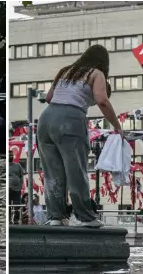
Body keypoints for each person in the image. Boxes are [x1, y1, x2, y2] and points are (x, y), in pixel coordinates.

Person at [37, 44, 123, 228]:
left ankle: (55, 217)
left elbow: (49, 97)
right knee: (76, 170)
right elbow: (102, 100)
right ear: (103, 62)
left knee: (53, 173)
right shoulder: (96, 73)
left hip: (45, 120)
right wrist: (117, 126)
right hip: (70, 121)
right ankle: (84, 216)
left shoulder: (65, 71)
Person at [8, 153, 26, 224]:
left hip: (17, 189)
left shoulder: (18, 165)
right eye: (9, 155)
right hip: (8, 189)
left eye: (11, 155)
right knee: (8, 205)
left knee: (17, 205)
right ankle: (9, 220)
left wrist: (20, 186)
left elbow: (21, 176)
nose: (11, 156)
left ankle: (16, 220)